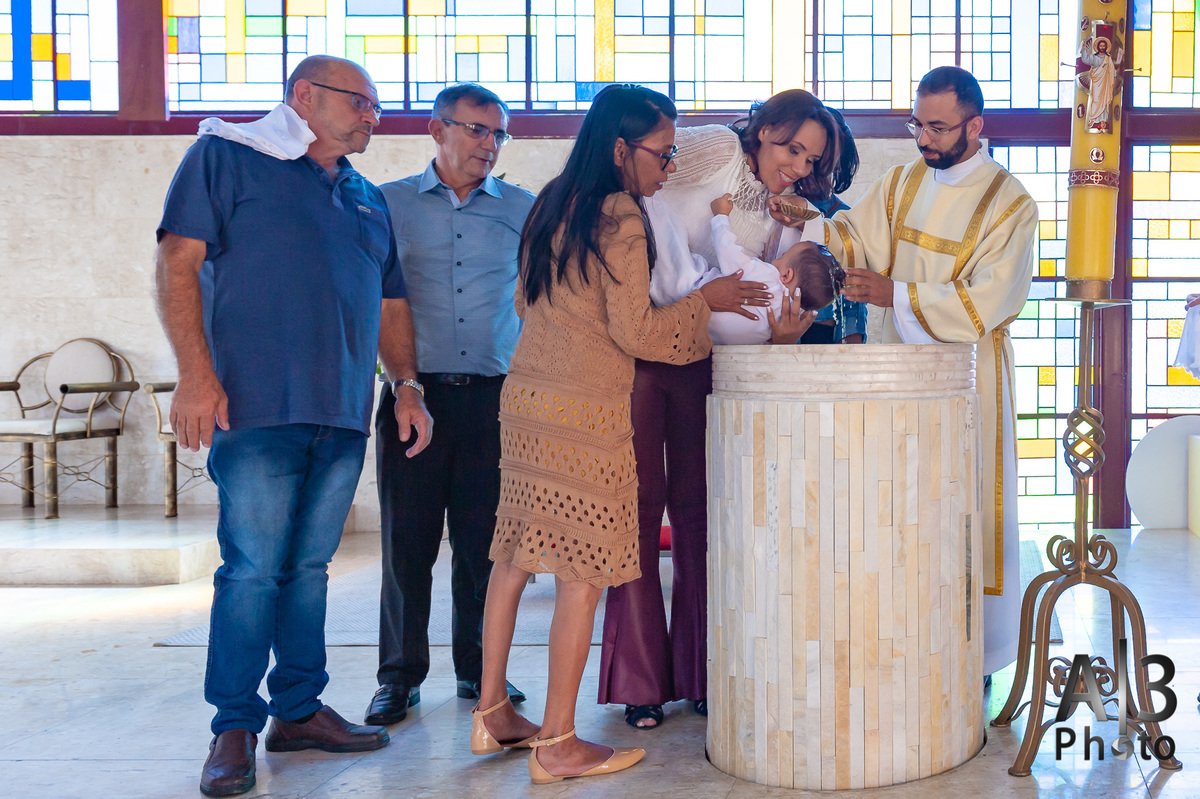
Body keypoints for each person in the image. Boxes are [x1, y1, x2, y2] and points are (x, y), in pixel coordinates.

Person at [155, 55, 433, 797]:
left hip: (340, 414)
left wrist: (406, 387)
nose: (373, 116)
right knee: (251, 568)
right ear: (304, 96)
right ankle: (234, 725)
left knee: (309, 569)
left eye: (377, 107)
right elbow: (178, 261)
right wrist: (195, 373)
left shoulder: (366, 197)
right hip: (255, 407)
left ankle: (300, 710)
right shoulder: (226, 156)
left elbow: (390, 303)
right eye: (360, 101)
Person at [470, 83, 762, 783]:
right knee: (583, 574)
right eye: (662, 154)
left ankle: (492, 712)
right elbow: (639, 333)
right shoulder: (621, 215)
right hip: (585, 411)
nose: (668, 168)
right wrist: (707, 301)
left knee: (512, 560)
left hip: (527, 401)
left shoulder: (552, 200)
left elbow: (525, 301)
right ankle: (558, 742)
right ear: (620, 148)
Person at [778, 65, 1036, 679]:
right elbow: (852, 238)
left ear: (974, 126)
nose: (924, 138)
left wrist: (897, 294)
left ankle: (966, 653)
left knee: (958, 508)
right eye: (917, 124)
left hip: (968, 378)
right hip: (893, 372)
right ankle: (899, 640)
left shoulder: (1010, 205)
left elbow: (989, 301)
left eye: (938, 128)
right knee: (894, 507)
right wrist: (802, 220)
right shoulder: (902, 182)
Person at [599, 88, 840, 730]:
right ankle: (641, 681)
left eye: (811, 160)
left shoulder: (786, 211)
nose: (798, 166)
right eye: (791, 149)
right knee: (637, 512)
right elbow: (631, 174)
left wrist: (783, 333)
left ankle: (705, 670)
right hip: (639, 349)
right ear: (762, 132)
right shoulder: (714, 148)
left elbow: (768, 289)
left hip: (705, 360)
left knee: (704, 517)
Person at [364, 83, 533, 728]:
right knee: (406, 544)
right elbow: (371, 294)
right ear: (438, 130)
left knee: (483, 544)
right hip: (414, 396)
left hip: (494, 400)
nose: (490, 144)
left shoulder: (523, 209)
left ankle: (479, 672)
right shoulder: (387, 203)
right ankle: (398, 677)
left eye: (499, 133)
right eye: (477, 130)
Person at [803, 107, 867, 345]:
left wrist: (850, 353)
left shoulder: (845, 217)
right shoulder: (778, 208)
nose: (813, 169)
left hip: (824, 335)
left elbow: (853, 302)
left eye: (824, 161)